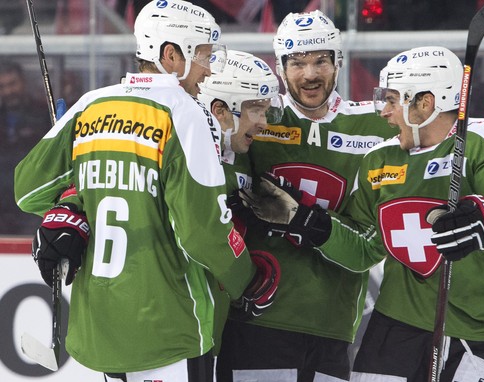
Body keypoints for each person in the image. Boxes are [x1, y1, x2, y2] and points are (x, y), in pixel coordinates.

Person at [216, 10, 484, 382]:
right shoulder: (258, 120)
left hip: (344, 326)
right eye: (297, 62)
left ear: (338, 62)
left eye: (321, 60)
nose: (310, 74)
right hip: (262, 319)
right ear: (279, 66)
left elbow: (443, 130)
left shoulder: (375, 129)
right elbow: (215, 117)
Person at [13, 1, 279, 381]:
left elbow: (27, 190)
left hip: (101, 331)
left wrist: (74, 199)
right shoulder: (185, 114)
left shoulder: (92, 103)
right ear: (171, 54)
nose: (208, 70)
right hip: (169, 329)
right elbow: (202, 232)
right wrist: (245, 280)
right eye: (203, 55)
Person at [197, 49, 282, 355]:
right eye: (255, 110)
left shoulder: (239, 156)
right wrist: (245, 279)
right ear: (220, 109)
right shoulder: (179, 151)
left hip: (212, 327)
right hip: (171, 325)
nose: (263, 123)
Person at [0, 60, 51, 235]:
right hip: (3, 202)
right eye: (2, 86)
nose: (8, 91)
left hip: (32, 199)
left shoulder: (43, 114)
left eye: (12, 84)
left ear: (23, 81)